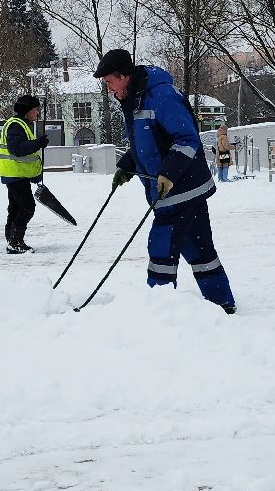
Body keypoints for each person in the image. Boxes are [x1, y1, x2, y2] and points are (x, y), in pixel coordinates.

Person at [94, 48, 235, 313]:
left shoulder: (162, 96)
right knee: (198, 248)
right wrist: (128, 165)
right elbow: (149, 144)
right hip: (172, 190)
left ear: (123, 76)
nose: (109, 89)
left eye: (110, 82)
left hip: (181, 188)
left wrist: (168, 173)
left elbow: (187, 139)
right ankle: (222, 303)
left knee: (161, 245)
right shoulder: (135, 100)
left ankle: (158, 311)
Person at [0, 94, 49, 254]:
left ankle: (12, 237)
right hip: (14, 174)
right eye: (35, 109)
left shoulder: (21, 124)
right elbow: (17, 149)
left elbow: (25, 154)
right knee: (27, 206)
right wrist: (38, 143)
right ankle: (15, 241)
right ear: (27, 111)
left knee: (16, 207)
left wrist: (34, 174)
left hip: (16, 174)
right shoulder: (17, 125)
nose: (38, 113)